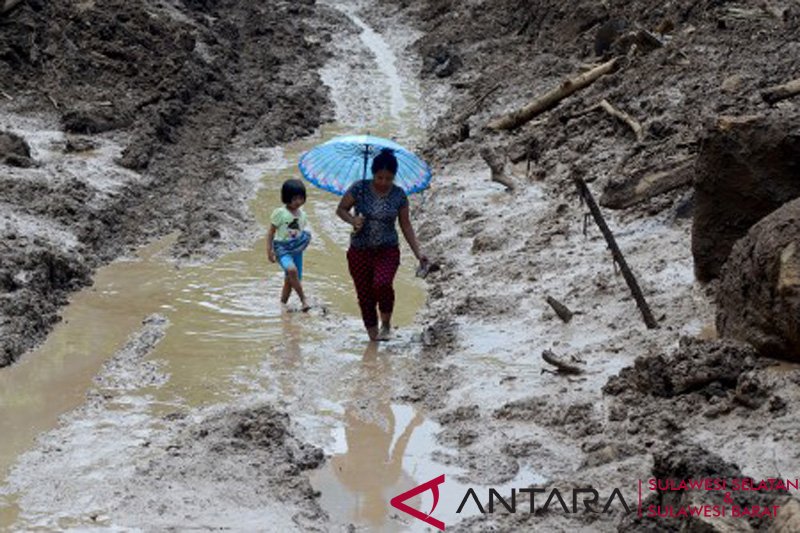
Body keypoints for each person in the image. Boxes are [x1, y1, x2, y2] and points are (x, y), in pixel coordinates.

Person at [336, 148, 427, 341]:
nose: (384, 182)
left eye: (388, 178)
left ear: (394, 177)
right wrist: (353, 220)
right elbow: (341, 209)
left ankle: (386, 324)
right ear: (373, 174)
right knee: (365, 295)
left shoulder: (399, 196)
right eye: (379, 178)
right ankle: (373, 340)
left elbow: (406, 225)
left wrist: (419, 253)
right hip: (359, 251)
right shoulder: (358, 188)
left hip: (387, 251)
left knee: (382, 284)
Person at [267, 178, 311, 312]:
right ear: (287, 198)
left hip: (297, 249)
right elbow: (271, 232)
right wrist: (269, 250)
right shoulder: (280, 213)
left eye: (301, 198)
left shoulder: (303, 215)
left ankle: (282, 305)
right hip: (282, 248)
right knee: (292, 271)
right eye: (295, 199)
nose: (298, 202)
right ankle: (304, 299)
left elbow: (300, 232)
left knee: (290, 279)